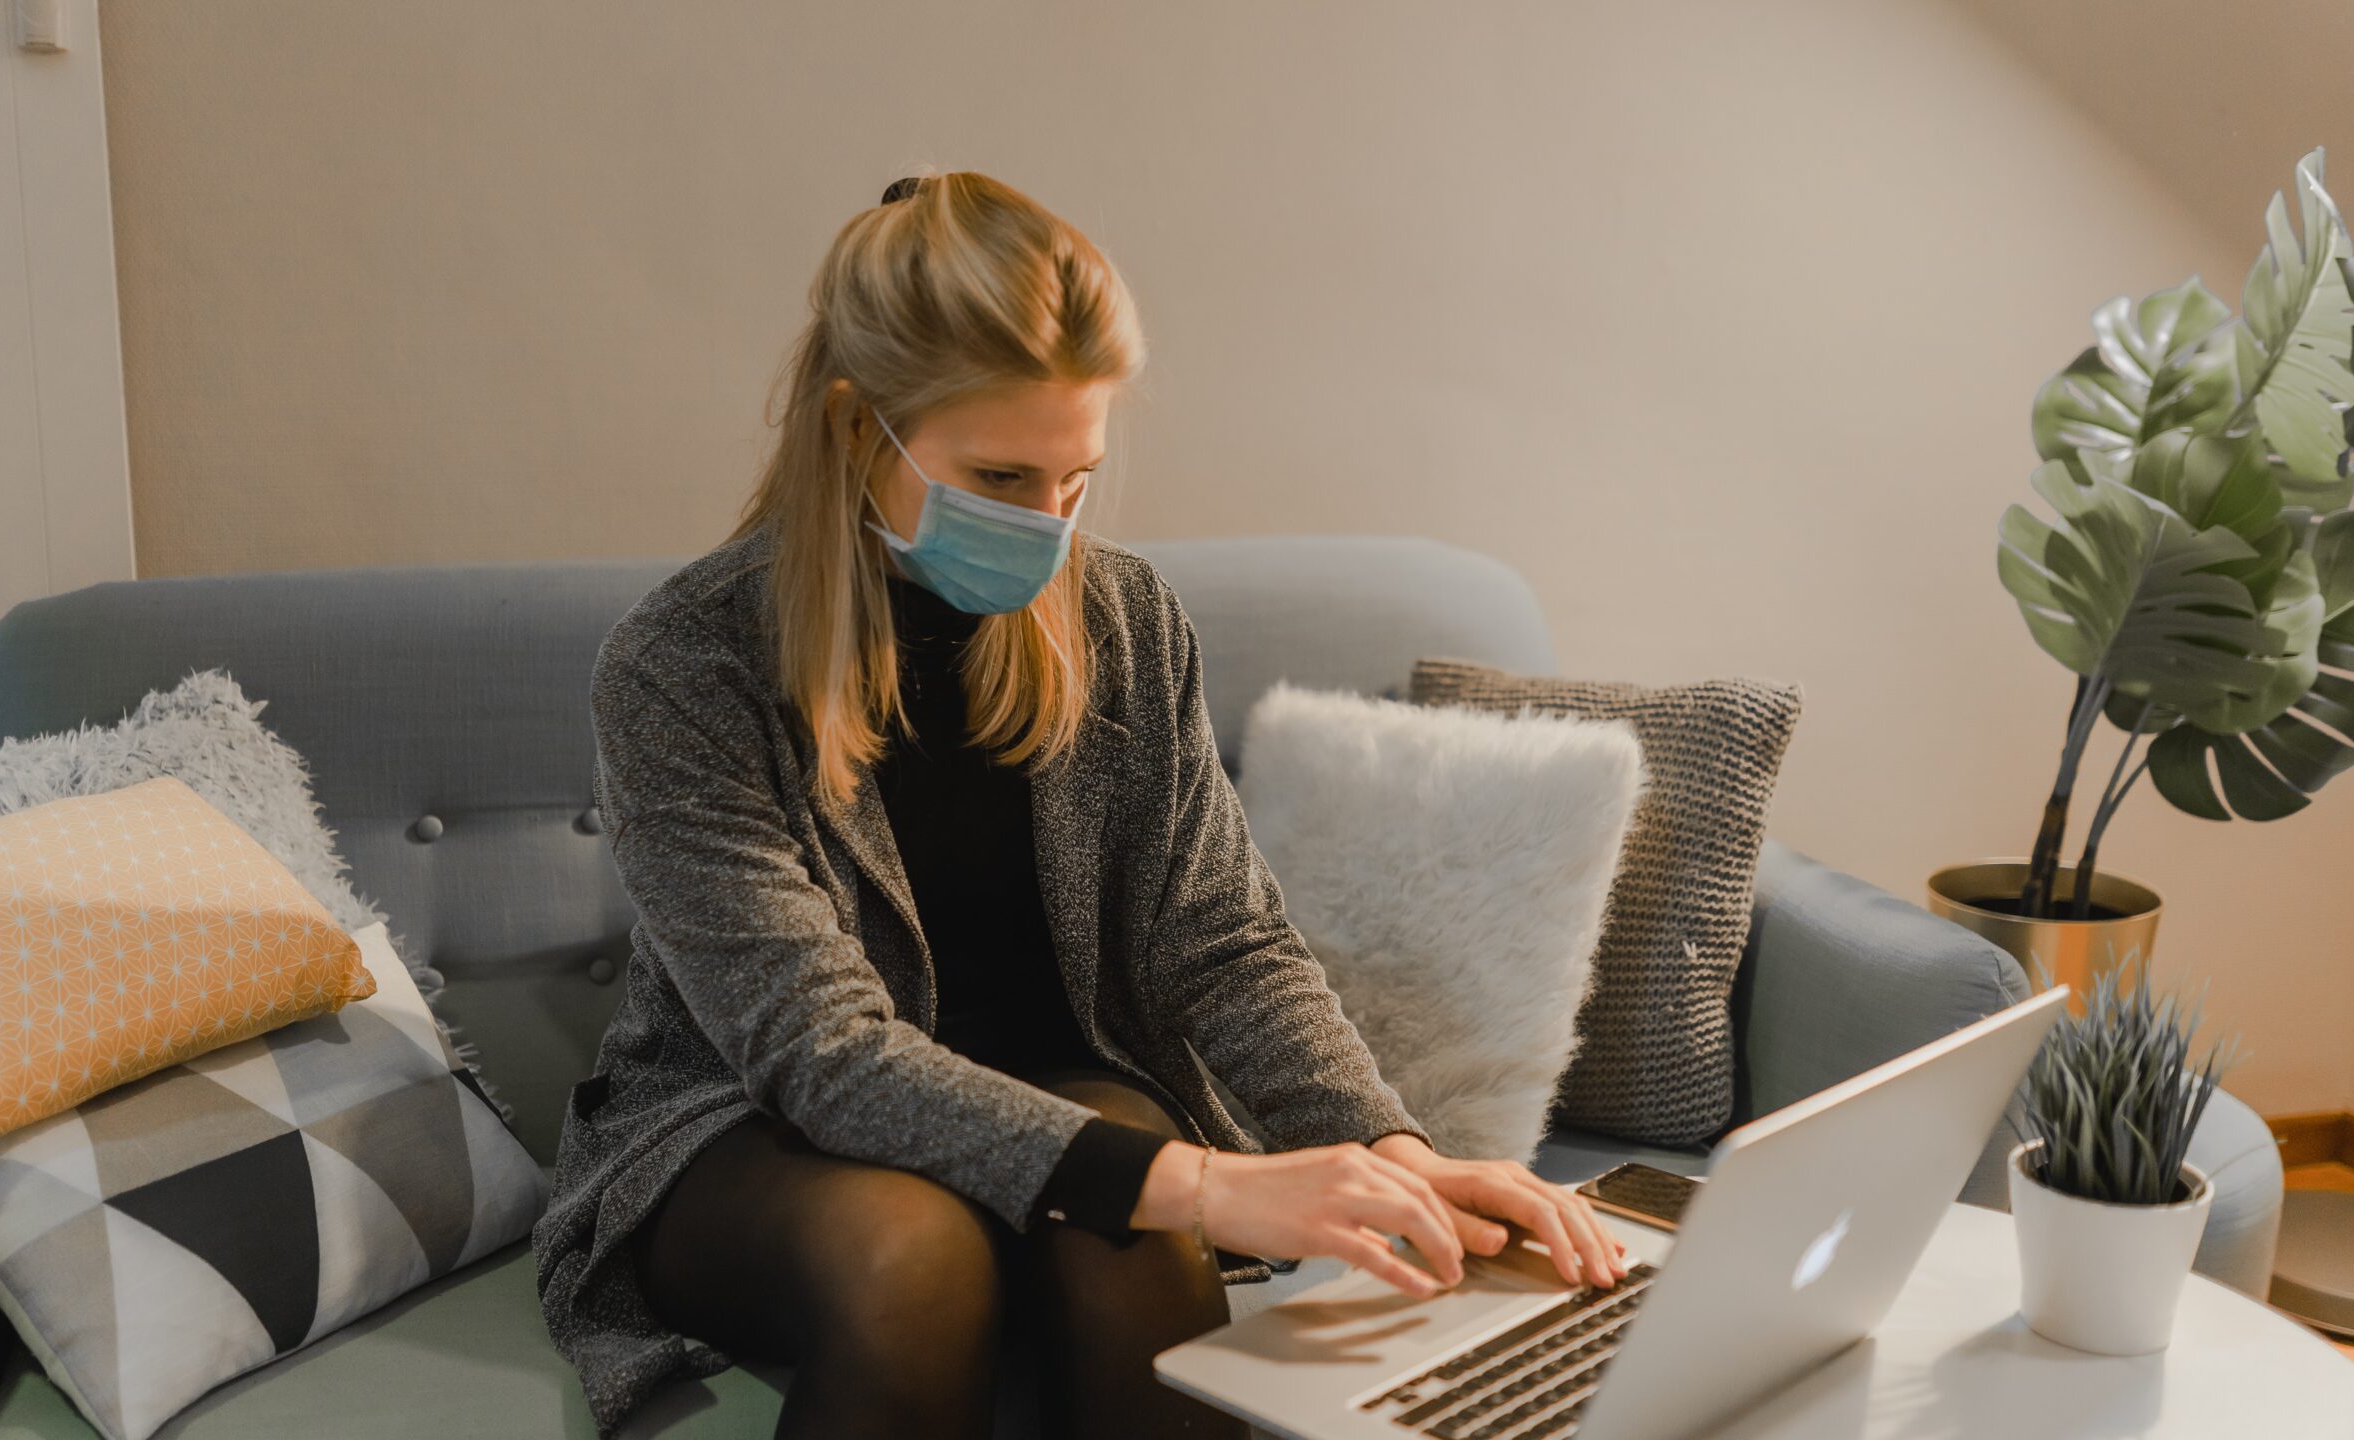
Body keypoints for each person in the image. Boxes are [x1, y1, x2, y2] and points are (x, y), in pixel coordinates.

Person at [531, 169, 1628, 1440]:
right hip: (749, 1132)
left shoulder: (1125, 620)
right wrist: (1210, 1185)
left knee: (1133, 1238)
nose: (1048, 528)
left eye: (1074, 479)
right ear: (851, 431)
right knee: (916, 1259)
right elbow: (812, 1050)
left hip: (1064, 1090)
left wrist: (1389, 1146)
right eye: (999, 478)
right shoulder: (684, 666)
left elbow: (1215, 942)